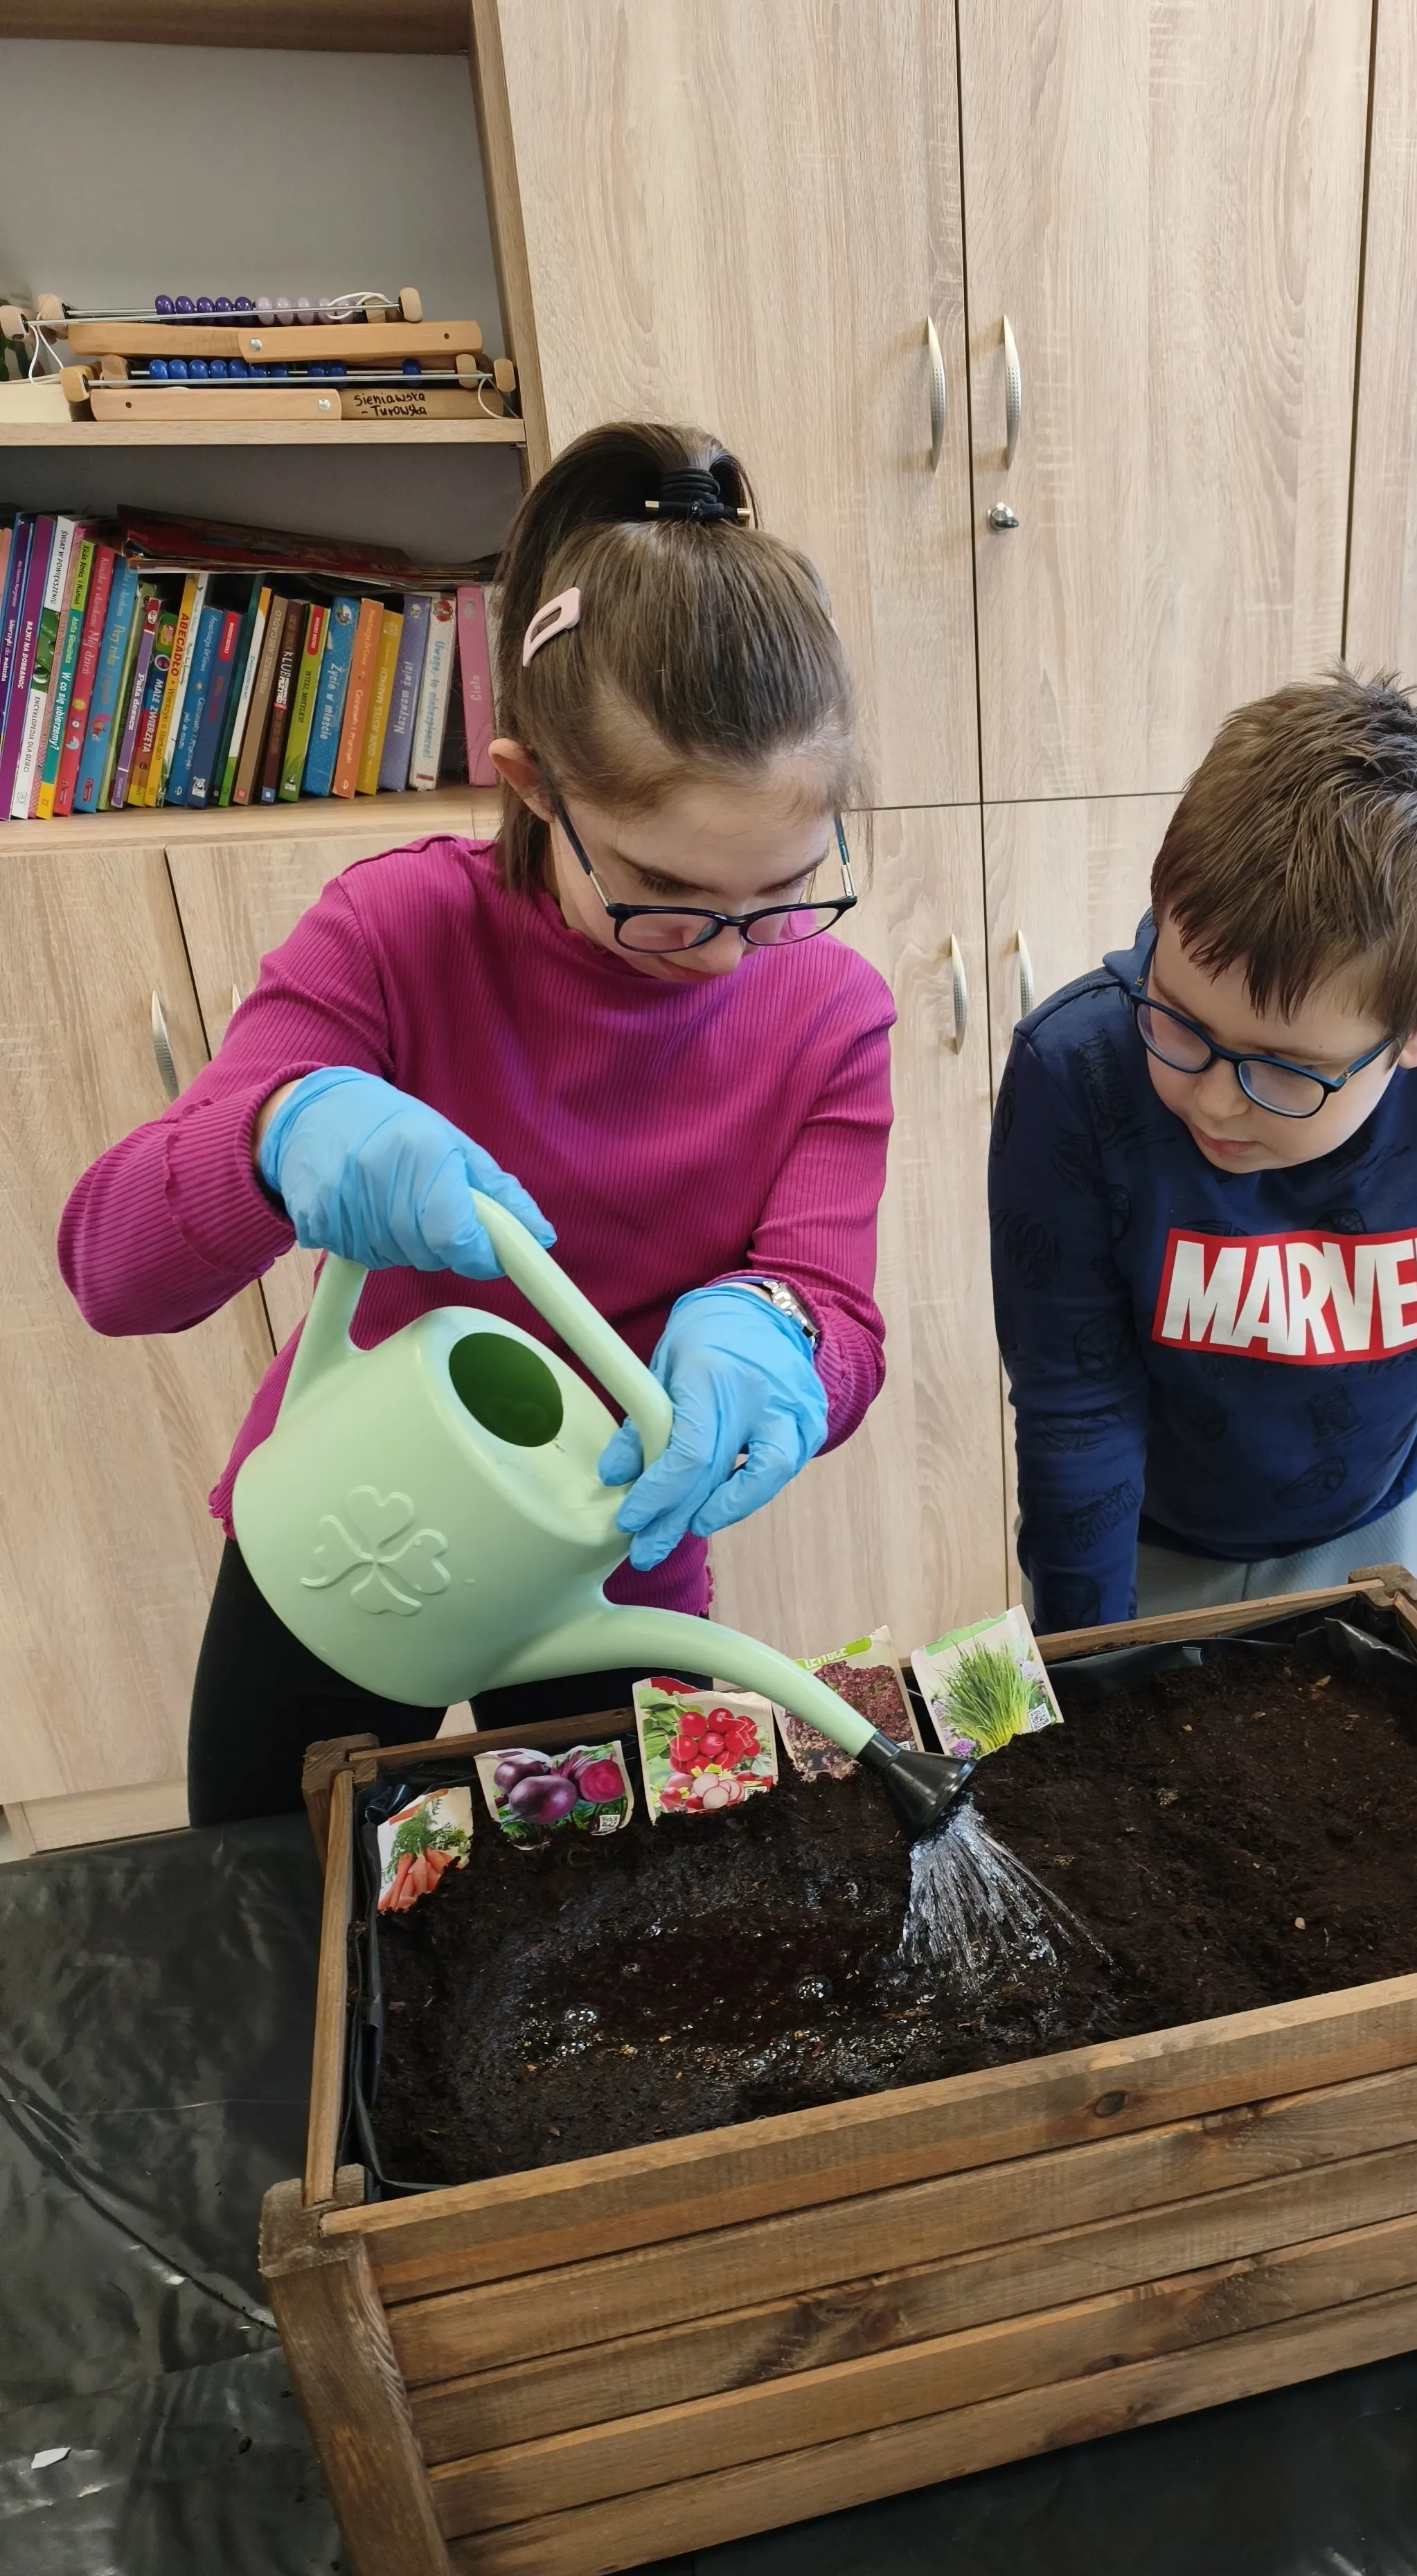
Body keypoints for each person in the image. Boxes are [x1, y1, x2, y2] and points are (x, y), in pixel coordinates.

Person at [61, 421, 893, 1823]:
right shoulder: (396, 937)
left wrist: (784, 1337)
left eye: (786, 891)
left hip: (611, 1565)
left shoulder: (833, 1013)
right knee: (282, 1920)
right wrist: (275, 1135)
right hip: (350, 1529)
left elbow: (836, 1308)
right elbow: (110, 1267)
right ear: (529, 786)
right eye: (663, 891)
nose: (725, 952)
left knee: (618, 1953)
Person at [989, 668, 1417, 1712]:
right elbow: (1075, 1410)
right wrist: (1090, 1654)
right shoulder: (1074, 1069)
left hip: (1371, 1528)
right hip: (1140, 1535)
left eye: (1281, 1069)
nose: (1215, 1101)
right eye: (1177, 1022)